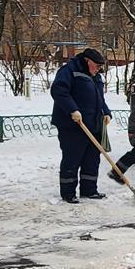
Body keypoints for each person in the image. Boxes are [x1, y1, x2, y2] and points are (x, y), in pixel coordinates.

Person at [50, 46, 113, 203]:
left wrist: (106, 112)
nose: (99, 70)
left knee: (91, 159)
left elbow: (99, 99)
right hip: (72, 125)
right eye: (97, 66)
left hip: (92, 124)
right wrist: (73, 110)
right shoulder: (69, 71)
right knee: (73, 158)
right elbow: (59, 91)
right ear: (87, 61)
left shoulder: (95, 77)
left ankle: (89, 190)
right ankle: (68, 193)